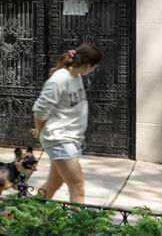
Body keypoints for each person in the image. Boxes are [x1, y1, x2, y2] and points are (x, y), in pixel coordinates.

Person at [32, 42, 103, 203]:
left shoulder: (76, 77)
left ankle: (15, 216)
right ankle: (79, 227)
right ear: (86, 65)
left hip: (67, 138)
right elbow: (40, 110)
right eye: (94, 67)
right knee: (78, 187)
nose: (93, 70)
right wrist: (42, 131)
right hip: (60, 139)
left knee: (53, 183)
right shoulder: (60, 79)